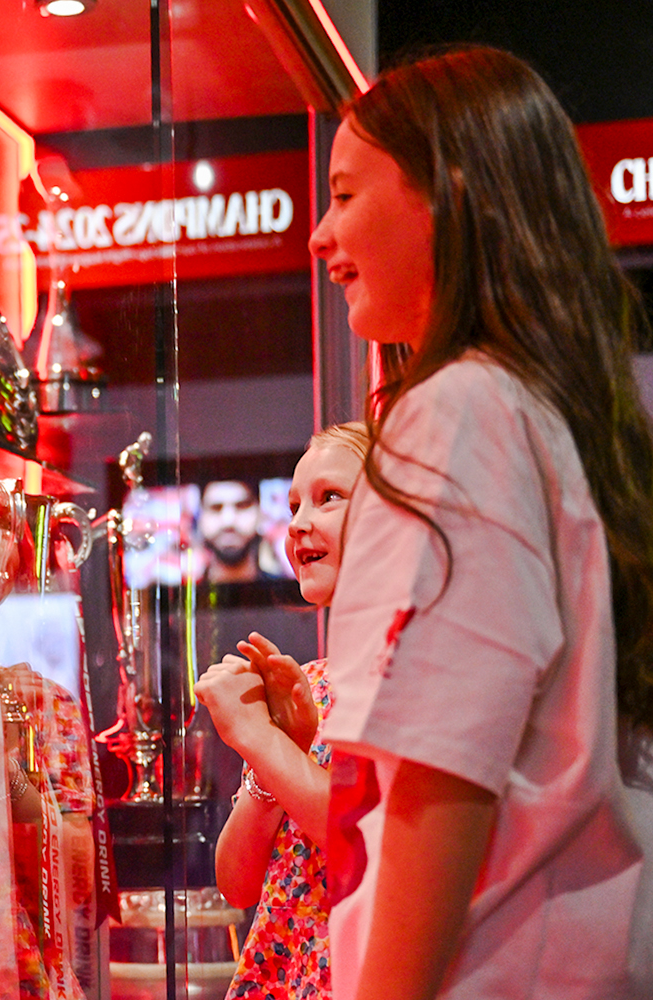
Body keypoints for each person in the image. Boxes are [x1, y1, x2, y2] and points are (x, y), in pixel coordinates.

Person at [307, 46, 653, 1000]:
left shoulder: (457, 411)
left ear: (449, 192)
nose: (319, 237)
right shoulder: (550, 413)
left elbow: (441, 777)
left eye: (344, 195)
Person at [198, 421, 368, 999]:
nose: (298, 524)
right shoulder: (310, 682)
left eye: (329, 498)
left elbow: (358, 836)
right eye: (295, 505)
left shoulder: (409, 673)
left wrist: (256, 735)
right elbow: (238, 884)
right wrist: (274, 752)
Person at [199, 478, 267, 583]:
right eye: (216, 508)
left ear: (260, 513)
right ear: (200, 517)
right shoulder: (183, 595)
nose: (228, 521)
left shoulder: (283, 594)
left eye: (242, 506)